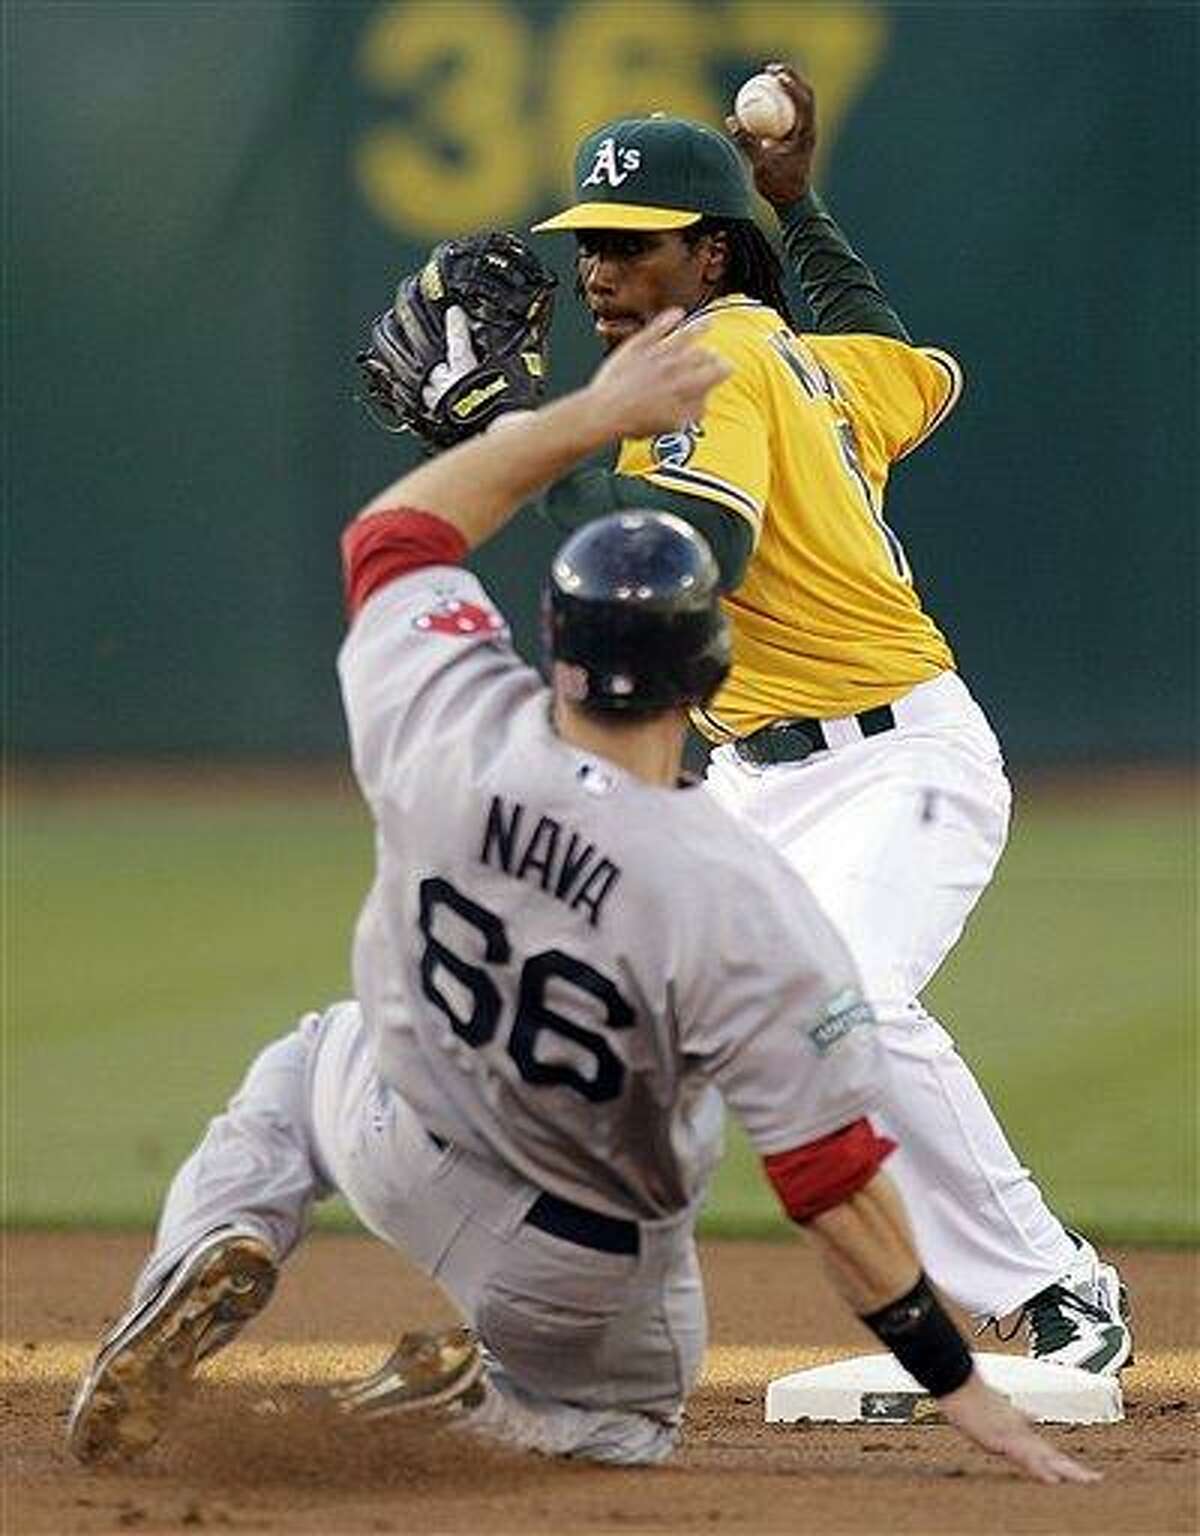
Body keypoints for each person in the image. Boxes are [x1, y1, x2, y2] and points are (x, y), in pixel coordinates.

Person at [68, 313, 1094, 1484]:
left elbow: (396, 538)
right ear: (713, 674)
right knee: (621, 1420)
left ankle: (221, 1238)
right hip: (573, 1272)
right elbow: (828, 1184)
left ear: (548, 637)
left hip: (391, 1137)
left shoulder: (450, 713)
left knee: (300, 1070)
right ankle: (479, 1409)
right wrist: (954, 1384)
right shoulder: (742, 897)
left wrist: (586, 418)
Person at [525, 65, 1131, 1372]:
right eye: (590, 247)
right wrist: (806, 210)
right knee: (616, 1019)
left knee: (847, 1005)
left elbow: (685, 557)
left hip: (891, 761)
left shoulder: (710, 368)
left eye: (632, 247)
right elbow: (901, 356)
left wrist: (498, 441)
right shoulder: (800, 360)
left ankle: (1058, 1294)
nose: (599, 274)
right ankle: (562, 1316)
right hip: (754, 784)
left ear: (710, 253)